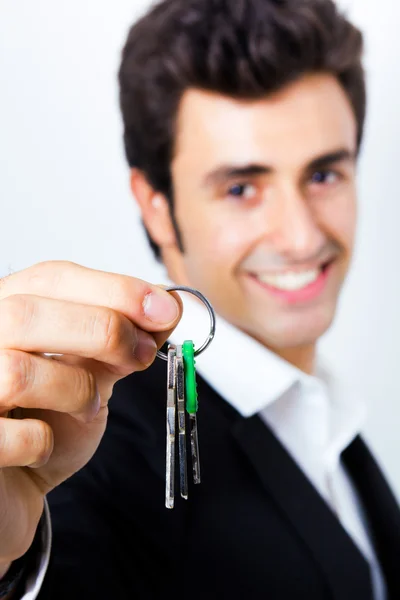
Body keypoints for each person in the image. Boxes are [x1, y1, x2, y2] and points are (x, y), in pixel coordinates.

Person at [0, 0, 399, 598]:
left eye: (323, 175)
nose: (300, 235)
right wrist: (6, 565)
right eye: (241, 187)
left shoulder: (326, 416)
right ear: (156, 204)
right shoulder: (87, 447)